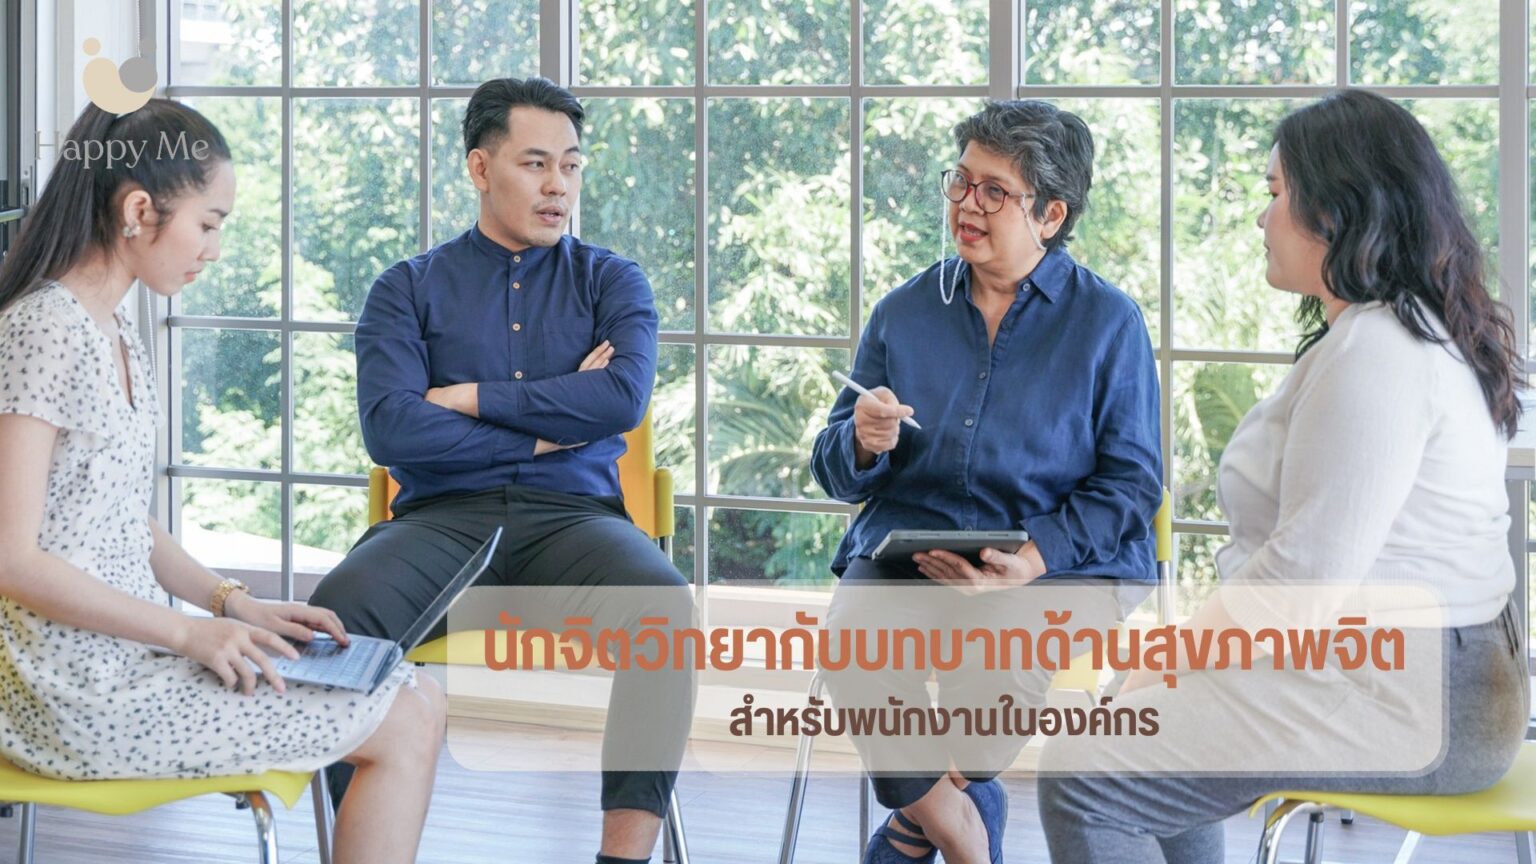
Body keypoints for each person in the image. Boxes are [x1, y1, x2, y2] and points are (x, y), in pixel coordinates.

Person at [1036, 89, 1529, 863]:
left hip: (1416, 697)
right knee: (1137, 722)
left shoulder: (1382, 353)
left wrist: (1167, 657)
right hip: (1423, 677)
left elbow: (1303, 583)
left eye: (1276, 194)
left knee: (1085, 769)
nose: (1262, 220)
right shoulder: (1402, 333)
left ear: (1335, 210)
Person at [0, 100, 446, 864]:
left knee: (418, 692)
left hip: (126, 658)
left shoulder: (114, 329)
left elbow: (113, 517)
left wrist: (229, 603)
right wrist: (187, 632)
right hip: (74, 691)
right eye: (208, 224)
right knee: (405, 715)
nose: (214, 248)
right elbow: (11, 558)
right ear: (138, 210)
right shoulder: (44, 328)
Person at [308, 76, 694, 864]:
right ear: (480, 169)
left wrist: (469, 398)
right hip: (440, 524)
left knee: (665, 612)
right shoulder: (405, 289)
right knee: (336, 620)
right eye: (536, 163)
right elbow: (392, 428)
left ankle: (621, 860)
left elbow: (619, 398)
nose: (559, 186)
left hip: (576, 523)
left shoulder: (612, 281)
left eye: (571, 166)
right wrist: (548, 433)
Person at [809, 100, 1163, 864]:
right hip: (914, 549)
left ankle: (915, 827)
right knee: (853, 644)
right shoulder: (905, 311)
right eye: (961, 182)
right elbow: (833, 468)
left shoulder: (1109, 323)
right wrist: (862, 441)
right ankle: (962, 826)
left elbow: (1133, 485)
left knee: (998, 652)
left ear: (1051, 214)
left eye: (995, 191)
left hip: (1059, 562)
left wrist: (1032, 559)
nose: (967, 205)